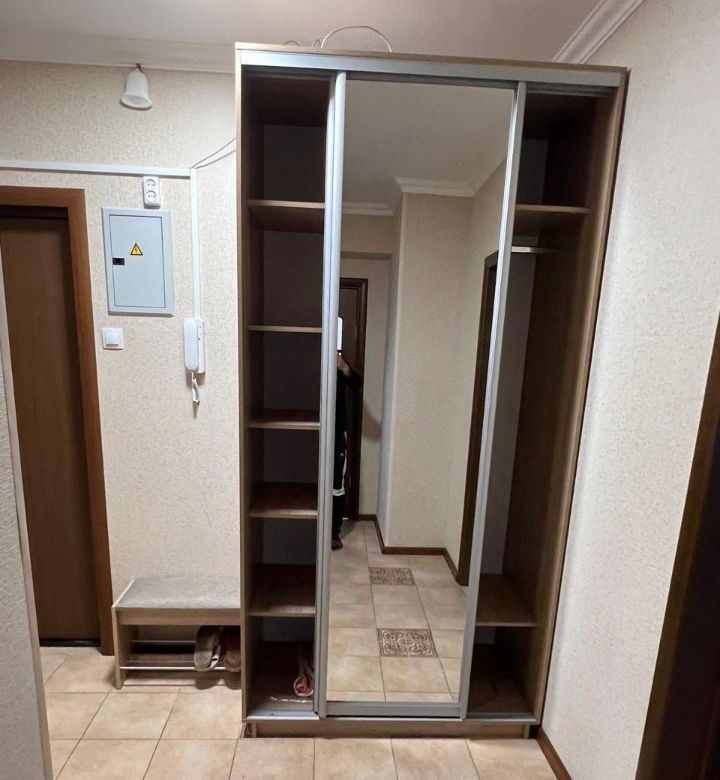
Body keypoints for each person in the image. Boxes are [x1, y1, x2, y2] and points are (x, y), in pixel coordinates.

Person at [332, 352, 362, 550]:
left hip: (337, 430)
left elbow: (357, 383)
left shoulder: (337, 361)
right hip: (312, 429)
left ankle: (333, 533)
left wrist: (343, 367)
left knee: (336, 483)